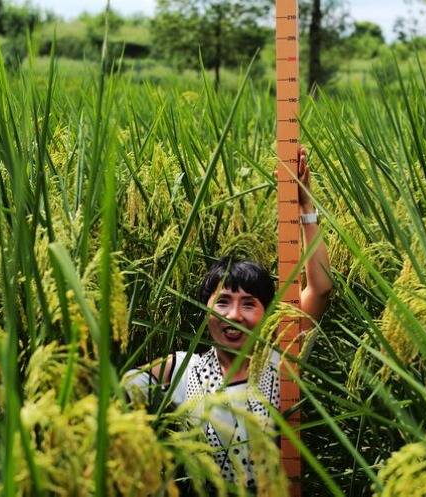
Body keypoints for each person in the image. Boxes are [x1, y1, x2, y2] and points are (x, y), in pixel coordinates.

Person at [122, 146, 332, 488]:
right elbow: (125, 388)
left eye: (249, 304)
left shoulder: (278, 362)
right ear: (206, 310)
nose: (234, 315)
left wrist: (306, 208)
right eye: (223, 302)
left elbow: (320, 289)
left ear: (266, 314)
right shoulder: (182, 369)